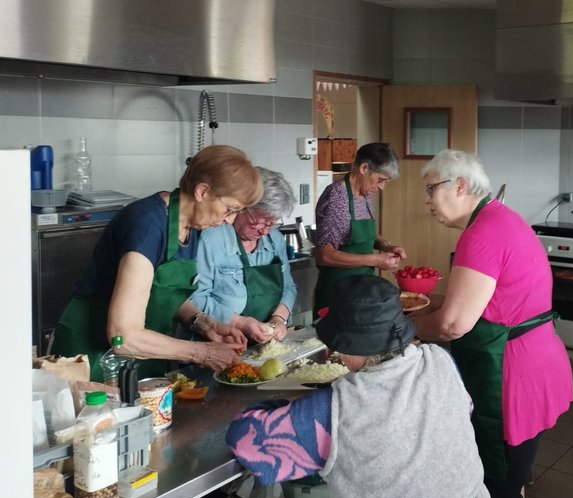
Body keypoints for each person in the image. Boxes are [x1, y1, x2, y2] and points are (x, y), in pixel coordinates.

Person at [226, 274, 490, 498]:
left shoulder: (336, 408)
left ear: (342, 347)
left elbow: (247, 442)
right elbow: (464, 407)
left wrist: (288, 407)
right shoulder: (439, 360)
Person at [409, 150, 573, 498]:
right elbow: (490, 299)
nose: (427, 201)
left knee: (497, 483)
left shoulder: (481, 234)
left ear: (460, 186)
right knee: (512, 476)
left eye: (430, 189)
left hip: (512, 373)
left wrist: (406, 329)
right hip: (535, 359)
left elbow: (454, 324)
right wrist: (429, 306)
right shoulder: (500, 219)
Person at [53, 145, 263, 380]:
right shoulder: (147, 224)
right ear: (202, 191)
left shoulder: (190, 226)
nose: (229, 220)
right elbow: (124, 337)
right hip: (91, 359)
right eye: (229, 210)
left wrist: (205, 324)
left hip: (142, 357)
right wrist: (201, 353)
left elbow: (159, 291)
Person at [183, 167, 298, 349]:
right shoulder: (211, 237)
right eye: (259, 222)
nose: (264, 230)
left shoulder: (273, 239)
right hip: (218, 342)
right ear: (242, 207)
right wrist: (240, 322)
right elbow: (193, 297)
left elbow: (288, 286)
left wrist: (279, 318)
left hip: (264, 347)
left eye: (272, 223)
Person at [313, 142, 407, 313]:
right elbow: (324, 256)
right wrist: (375, 260)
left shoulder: (364, 195)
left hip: (361, 291)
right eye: (380, 180)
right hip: (337, 294)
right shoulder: (336, 197)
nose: (381, 187)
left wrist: (386, 245)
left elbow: (369, 235)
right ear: (364, 168)